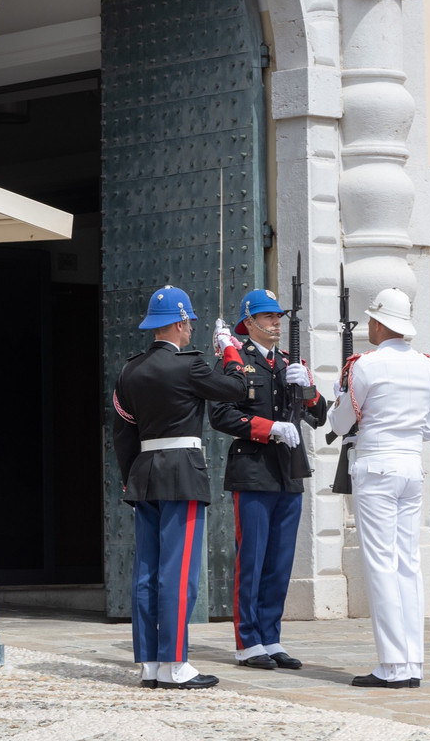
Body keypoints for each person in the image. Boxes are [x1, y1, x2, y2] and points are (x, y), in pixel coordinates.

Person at [112, 285, 247, 689]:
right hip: (182, 473)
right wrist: (230, 350)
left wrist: (130, 480)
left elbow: (123, 435)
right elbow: (237, 389)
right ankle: (175, 664)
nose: (191, 330)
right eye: (189, 323)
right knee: (178, 572)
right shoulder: (191, 365)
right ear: (180, 322)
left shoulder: (130, 370)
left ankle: (150, 663)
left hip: (143, 472)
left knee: (147, 573)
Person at [327, 287, 430, 688]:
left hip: (376, 466)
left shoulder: (366, 366)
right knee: (408, 564)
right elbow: (428, 429)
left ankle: (392, 664)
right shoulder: (428, 368)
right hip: (411, 467)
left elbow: (340, 424)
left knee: (380, 565)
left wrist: (337, 401)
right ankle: (413, 663)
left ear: (378, 323)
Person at [209, 289, 329, 671]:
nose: (276, 323)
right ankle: (248, 642)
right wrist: (269, 428)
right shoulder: (235, 363)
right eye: (268, 317)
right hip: (253, 470)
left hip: (289, 471)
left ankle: (271, 637)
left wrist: (307, 387)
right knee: (253, 558)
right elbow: (221, 415)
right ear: (249, 322)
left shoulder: (292, 363)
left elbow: (320, 416)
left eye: (278, 317)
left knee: (279, 561)